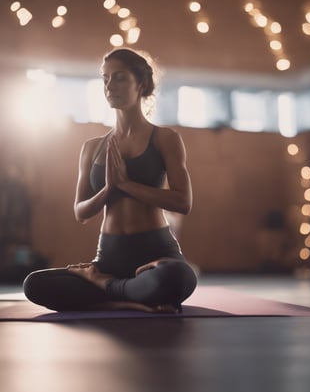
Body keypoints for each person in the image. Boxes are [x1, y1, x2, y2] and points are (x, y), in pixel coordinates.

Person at [23, 48, 197, 313]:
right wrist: (108, 189)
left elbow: (182, 202)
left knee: (177, 277)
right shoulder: (92, 147)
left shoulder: (165, 138)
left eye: (119, 78)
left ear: (141, 84)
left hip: (156, 253)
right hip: (110, 257)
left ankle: (105, 288)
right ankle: (121, 292)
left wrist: (128, 186)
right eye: (105, 79)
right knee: (33, 284)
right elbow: (81, 211)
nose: (109, 86)